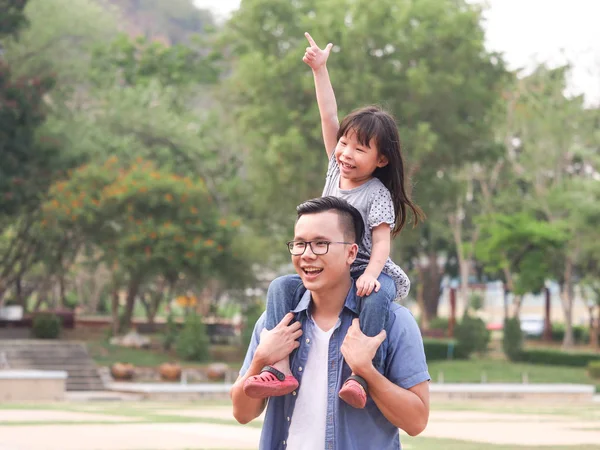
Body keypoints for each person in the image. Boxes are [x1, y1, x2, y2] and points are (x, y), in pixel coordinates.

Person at [242, 32, 425, 409]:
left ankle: (359, 375)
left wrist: (373, 275)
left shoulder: (377, 193)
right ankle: (278, 368)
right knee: (279, 287)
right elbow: (328, 115)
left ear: (382, 160)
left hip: (368, 268)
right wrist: (319, 70)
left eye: (360, 148)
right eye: (345, 143)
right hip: (329, 266)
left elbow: (383, 242)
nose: (346, 152)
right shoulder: (334, 169)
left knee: (376, 298)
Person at [231, 197, 430, 450]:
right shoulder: (277, 322)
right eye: (300, 244)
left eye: (321, 244)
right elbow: (242, 413)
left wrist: (365, 370)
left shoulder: (394, 322)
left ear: (351, 252)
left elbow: (416, 422)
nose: (307, 255)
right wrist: (261, 358)